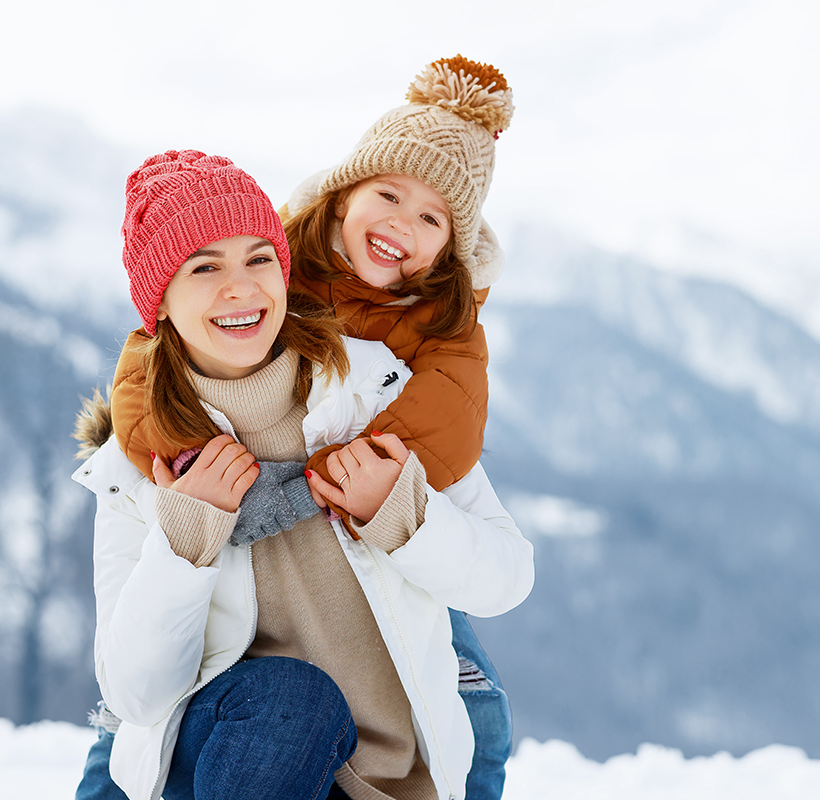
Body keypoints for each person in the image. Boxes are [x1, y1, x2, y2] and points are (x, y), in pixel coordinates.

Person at [99, 56, 520, 800]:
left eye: (257, 261)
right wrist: (183, 531)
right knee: (245, 712)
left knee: (476, 703)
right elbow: (133, 697)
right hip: (245, 738)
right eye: (202, 269)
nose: (239, 287)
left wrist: (402, 506)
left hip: (378, 528)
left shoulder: (388, 375)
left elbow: (461, 448)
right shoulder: (154, 455)